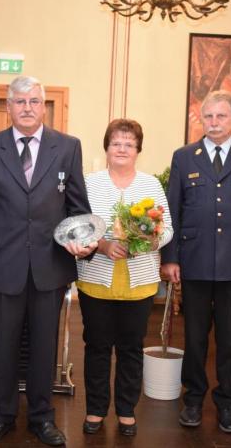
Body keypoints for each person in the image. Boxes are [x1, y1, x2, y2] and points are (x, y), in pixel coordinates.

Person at [0, 76, 97, 446]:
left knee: (44, 347)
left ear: (44, 106)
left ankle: (42, 417)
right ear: (8, 107)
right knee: (3, 346)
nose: (27, 108)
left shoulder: (68, 147)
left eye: (34, 101)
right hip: (1, 267)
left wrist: (83, 240)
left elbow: (77, 208)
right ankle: (3, 415)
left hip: (49, 268)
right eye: (20, 101)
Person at [161, 90, 231, 433]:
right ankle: (193, 400)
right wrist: (170, 257)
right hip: (192, 262)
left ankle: (227, 403)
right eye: (208, 116)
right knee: (194, 337)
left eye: (221, 116)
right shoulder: (184, 156)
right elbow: (171, 211)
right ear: (201, 118)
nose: (214, 123)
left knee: (229, 339)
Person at [76, 119, 173, 437]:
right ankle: (95, 409)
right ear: (106, 147)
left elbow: (167, 228)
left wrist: (144, 243)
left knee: (131, 348)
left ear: (138, 150)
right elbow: (77, 225)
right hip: (96, 278)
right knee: (97, 347)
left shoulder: (151, 185)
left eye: (128, 144)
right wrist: (102, 244)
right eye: (116, 143)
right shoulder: (89, 182)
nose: (121, 148)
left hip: (140, 281)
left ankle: (127, 410)